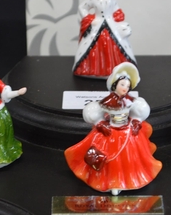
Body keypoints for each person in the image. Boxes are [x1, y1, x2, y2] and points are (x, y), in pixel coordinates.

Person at [65, 62, 162, 195]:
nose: (125, 88)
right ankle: (110, 181)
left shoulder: (131, 101)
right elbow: (94, 113)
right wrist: (100, 123)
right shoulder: (107, 102)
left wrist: (136, 121)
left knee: (130, 156)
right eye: (122, 85)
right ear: (115, 84)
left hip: (126, 130)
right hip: (110, 130)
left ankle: (128, 178)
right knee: (108, 155)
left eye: (127, 86)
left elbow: (139, 112)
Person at [72, 0, 136, 78]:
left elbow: (115, 8)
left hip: (111, 24)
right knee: (92, 46)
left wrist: (119, 15)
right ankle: (91, 70)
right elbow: (82, 7)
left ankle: (115, 70)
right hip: (97, 25)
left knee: (116, 45)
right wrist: (90, 19)